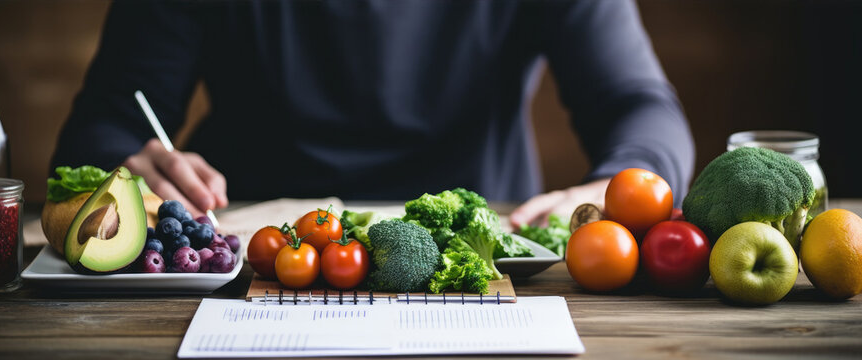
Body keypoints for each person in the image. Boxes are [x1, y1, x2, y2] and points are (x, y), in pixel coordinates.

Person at [51, 0, 694, 229]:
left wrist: (627, 183)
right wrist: (127, 163)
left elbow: (638, 106)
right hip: (251, 260)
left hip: (485, 261)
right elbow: (105, 124)